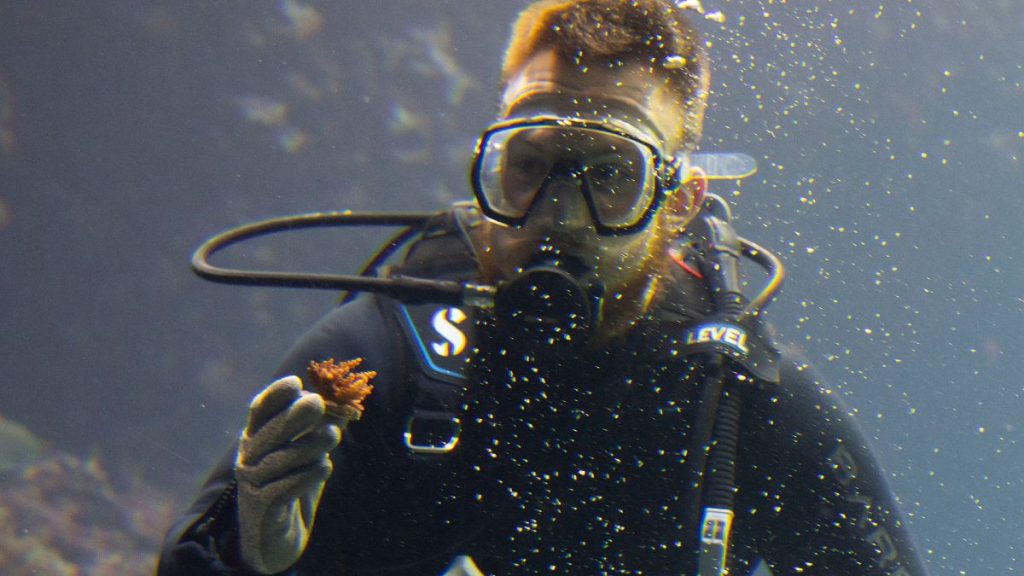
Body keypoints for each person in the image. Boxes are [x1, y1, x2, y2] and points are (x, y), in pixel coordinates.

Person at [159, 1, 930, 574]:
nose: (558, 216)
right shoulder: (386, 355)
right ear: (484, 170)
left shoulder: (734, 397)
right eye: (528, 165)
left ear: (680, 201)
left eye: (609, 176)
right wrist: (251, 552)